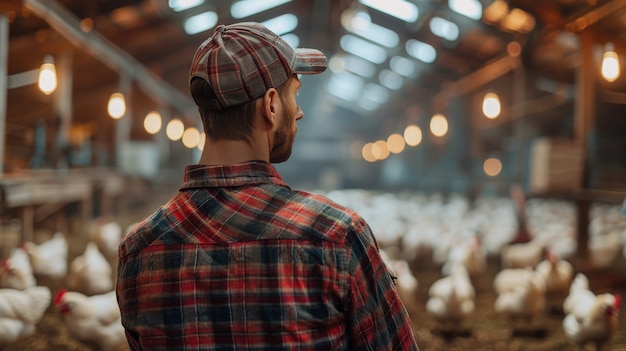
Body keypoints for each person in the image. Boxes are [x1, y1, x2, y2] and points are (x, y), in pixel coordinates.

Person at [116, 21, 419, 351]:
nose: (300, 112)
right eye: (295, 94)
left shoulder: (139, 250)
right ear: (271, 105)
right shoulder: (336, 236)